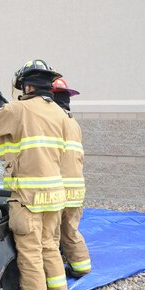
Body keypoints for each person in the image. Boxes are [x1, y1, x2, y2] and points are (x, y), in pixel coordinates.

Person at [0, 59, 69, 290]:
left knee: (31, 253)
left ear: (27, 85)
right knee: (49, 246)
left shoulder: (20, 110)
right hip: (55, 196)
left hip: (28, 198)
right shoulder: (59, 113)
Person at [51, 78, 91, 278]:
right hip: (76, 188)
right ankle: (81, 267)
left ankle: (55, 278)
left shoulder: (52, 120)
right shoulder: (73, 122)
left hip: (58, 187)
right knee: (71, 231)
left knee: (52, 235)